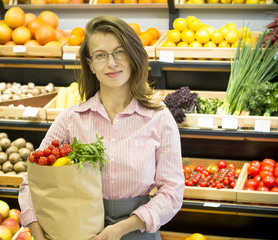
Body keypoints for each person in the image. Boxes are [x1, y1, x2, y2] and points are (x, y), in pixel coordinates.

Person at [18, 15, 184, 240]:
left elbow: (172, 191)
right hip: (78, 230)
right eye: (100, 55)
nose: (112, 63)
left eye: (120, 52)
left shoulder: (159, 118)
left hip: (138, 232)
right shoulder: (71, 119)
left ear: (133, 56)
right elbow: (31, 179)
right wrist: (37, 231)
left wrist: (122, 228)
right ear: (90, 65)